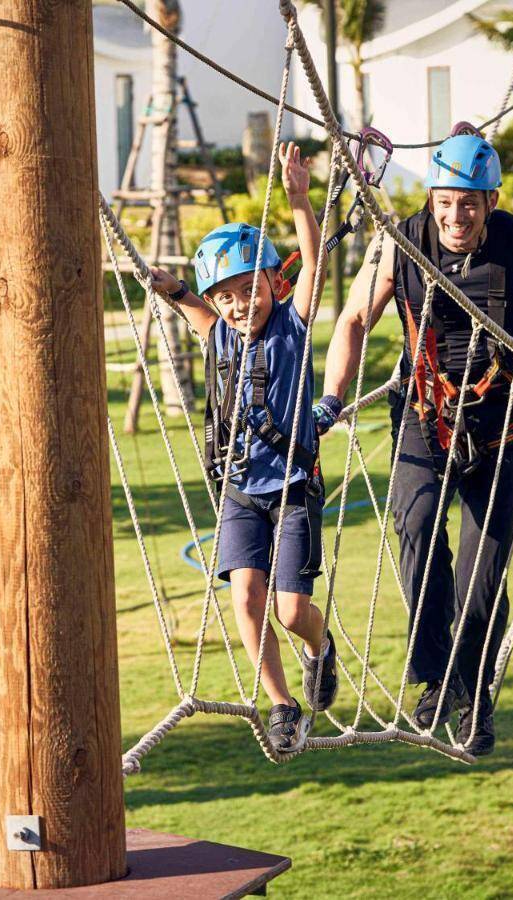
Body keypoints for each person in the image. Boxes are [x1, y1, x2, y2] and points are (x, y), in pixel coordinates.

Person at [313, 128, 513, 756]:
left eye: (468, 203)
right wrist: (332, 396)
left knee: (482, 574)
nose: (455, 216)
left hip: (502, 427)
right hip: (424, 416)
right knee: (415, 528)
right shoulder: (400, 244)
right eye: (444, 202)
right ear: (432, 199)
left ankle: (474, 697)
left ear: (491, 200)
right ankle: (436, 677)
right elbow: (354, 318)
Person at [149, 142, 338, 753]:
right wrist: (172, 288)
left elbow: (314, 265)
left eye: (249, 290)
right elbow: (193, 308)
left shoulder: (291, 324)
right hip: (238, 490)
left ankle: (320, 647)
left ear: (274, 284)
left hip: (291, 487)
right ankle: (281, 703)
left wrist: (299, 199)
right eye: (225, 296)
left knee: (291, 610)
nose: (238, 305)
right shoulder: (220, 334)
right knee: (247, 600)